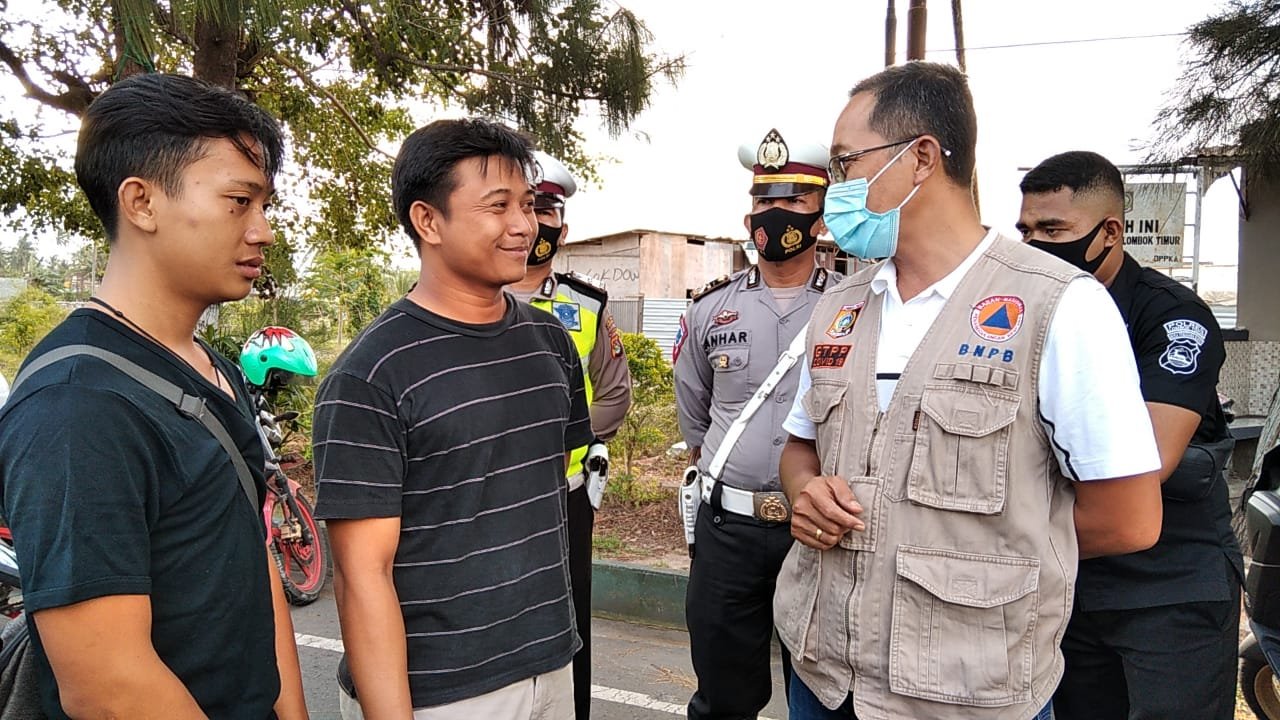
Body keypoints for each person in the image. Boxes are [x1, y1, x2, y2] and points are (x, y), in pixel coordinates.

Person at [774, 61, 1164, 720]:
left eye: (845, 164)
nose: (832, 188)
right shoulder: (840, 303)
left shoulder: (1058, 306)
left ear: (920, 158)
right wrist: (803, 493)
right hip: (824, 677)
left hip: (963, 690)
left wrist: (974, 553)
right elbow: (799, 450)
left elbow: (1129, 518)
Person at [0, 73, 306, 719]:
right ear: (141, 202)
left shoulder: (209, 366)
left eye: (264, 205)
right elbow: (108, 687)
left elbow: (252, 565)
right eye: (238, 201)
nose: (263, 231)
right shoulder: (78, 404)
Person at [314, 118, 592, 720]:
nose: (524, 225)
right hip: (440, 694)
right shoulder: (371, 375)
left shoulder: (550, 342)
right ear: (428, 221)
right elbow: (362, 578)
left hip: (551, 665)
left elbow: (544, 498)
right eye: (498, 206)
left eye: (527, 204)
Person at [1019, 150, 1243, 720]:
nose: (1033, 245)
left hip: (1169, 588)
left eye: (1052, 229)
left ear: (1110, 232)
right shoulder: (1027, 314)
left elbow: (1146, 460)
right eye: (1025, 230)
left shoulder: (1170, 316)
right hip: (1071, 582)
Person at [673, 127, 836, 720]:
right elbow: (695, 416)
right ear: (748, 218)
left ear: (820, 216)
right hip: (727, 531)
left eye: (793, 201)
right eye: (764, 201)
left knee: (821, 689)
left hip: (819, 532)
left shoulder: (854, 308)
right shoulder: (710, 310)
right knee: (723, 693)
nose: (775, 215)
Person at [506, 150, 632, 720]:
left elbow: (614, 395)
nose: (535, 223)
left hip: (565, 492)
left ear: (562, 227)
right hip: (487, 492)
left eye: (546, 211)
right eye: (524, 207)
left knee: (569, 618)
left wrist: (560, 438)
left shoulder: (586, 305)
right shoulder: (469, 297)